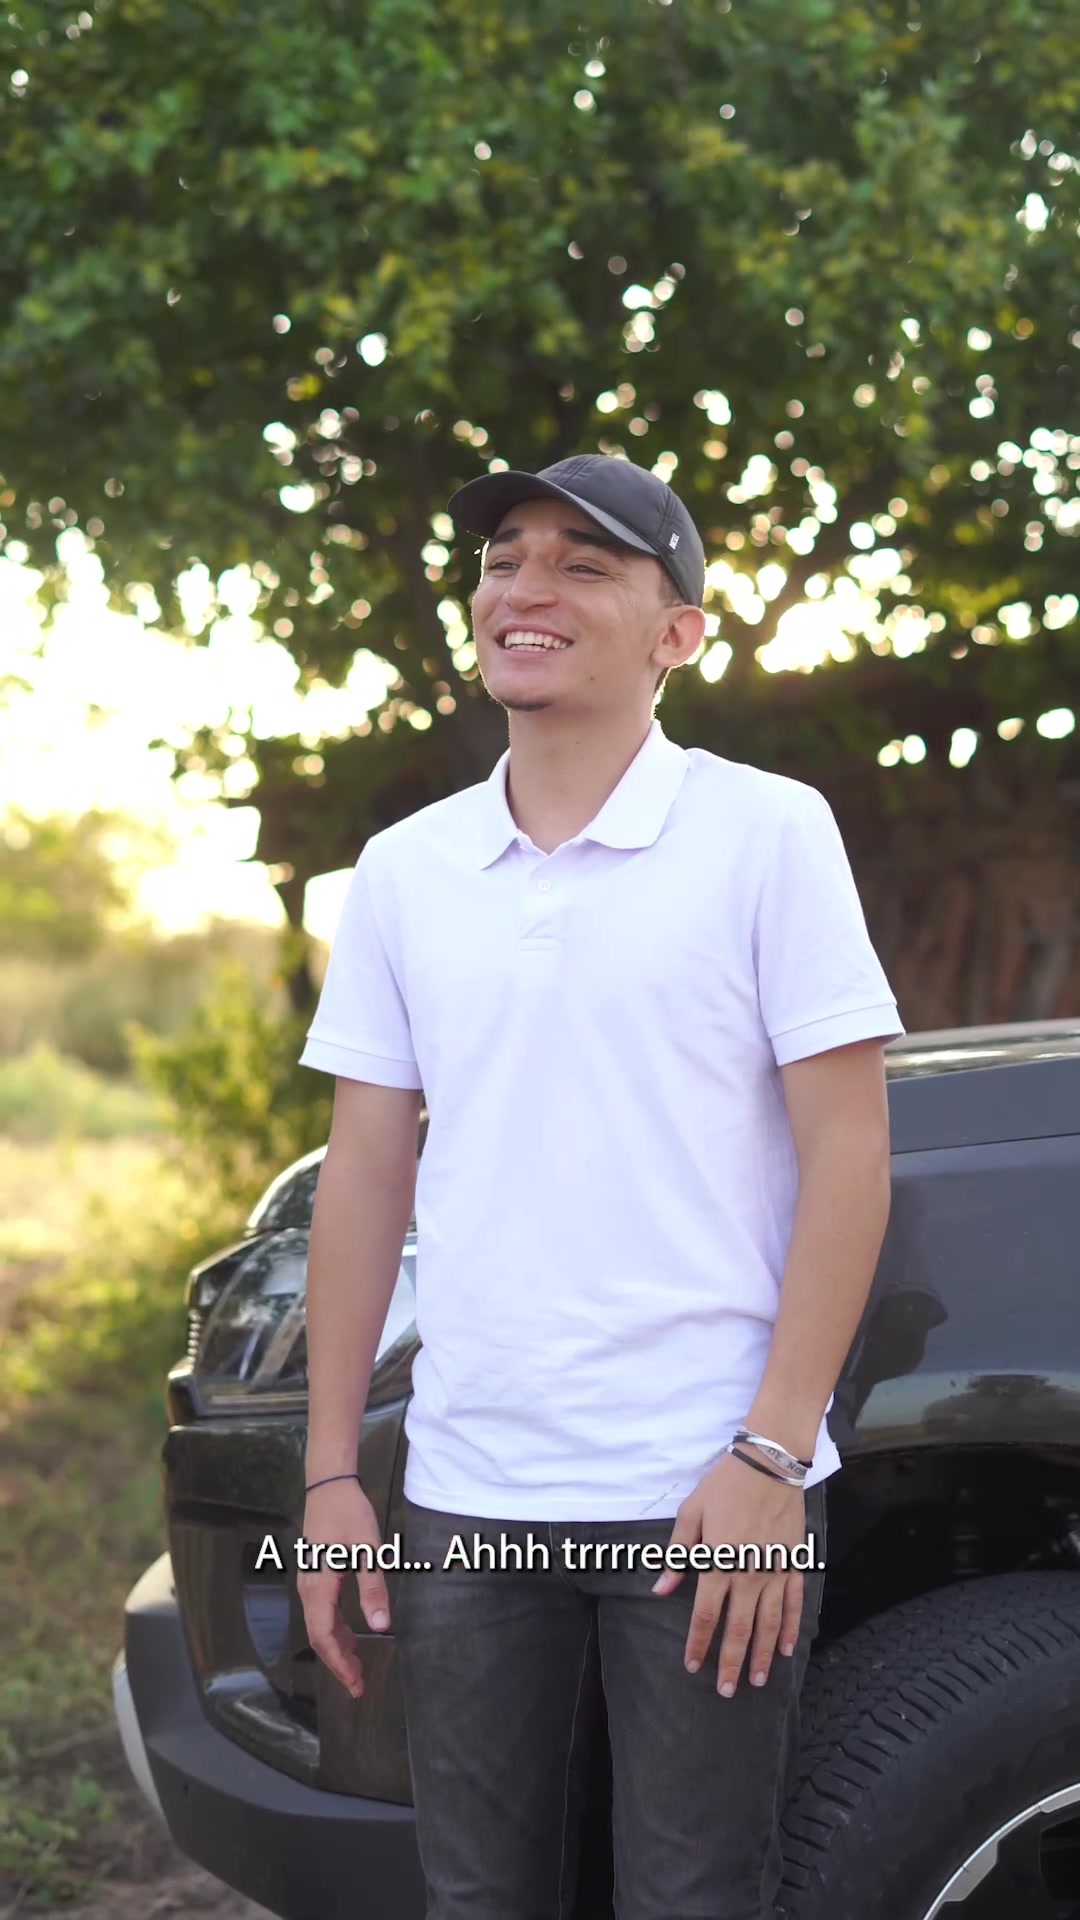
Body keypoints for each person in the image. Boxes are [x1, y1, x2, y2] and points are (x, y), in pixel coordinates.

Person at [296, 454, 904, 1920]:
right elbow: (367, 1175)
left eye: (584, 564)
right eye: (505, 558)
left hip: (705, 1487)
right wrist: (327, 1477)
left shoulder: (768, 832)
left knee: (693, 1897)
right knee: (476, 1898)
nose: (528, 588)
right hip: (468, 1496)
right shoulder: (406, 870)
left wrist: (773, 1456)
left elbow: (848, 1154)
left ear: (677, 633)